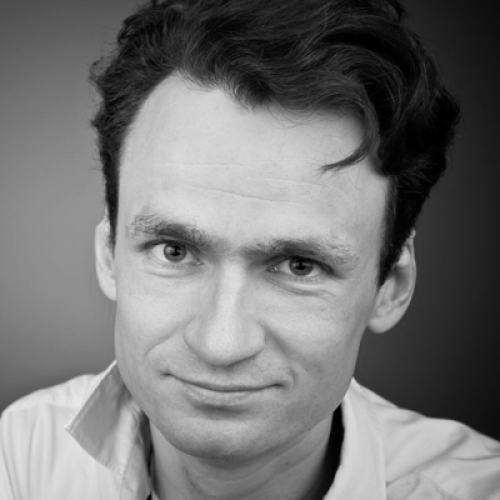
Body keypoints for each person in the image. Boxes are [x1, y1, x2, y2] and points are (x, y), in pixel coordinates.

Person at [1, 0, 499, 498]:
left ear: (391, 286)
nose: (221, 345)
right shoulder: (17, 462)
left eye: (300, 266)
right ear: (109, 253)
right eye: (173, 250)